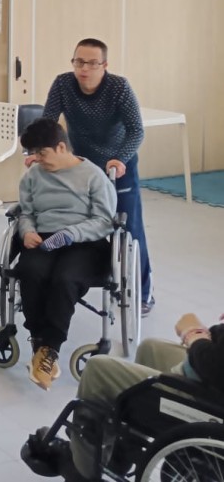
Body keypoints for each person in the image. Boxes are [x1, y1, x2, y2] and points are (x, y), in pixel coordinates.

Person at [24, 311, 224, 479]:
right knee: (150, 348)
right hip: (209, 375)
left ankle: (81, 470)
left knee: (98, 370)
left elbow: (215, 367)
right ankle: (121, 454)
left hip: (209, 398)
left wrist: (194, 335)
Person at [42, 37, 152, 313]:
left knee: (130, 228)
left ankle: (143, 292)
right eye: (79, 61)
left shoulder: (119, 87)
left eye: (92, 63)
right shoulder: (63, 84)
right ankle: (81, 276)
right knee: (84, 223)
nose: (84, 68)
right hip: (84, 167)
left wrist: (120, 158)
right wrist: (38, 150)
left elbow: (136, 130)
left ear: (104, 65)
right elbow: (48, 123)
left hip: (120, 165)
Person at [15, 118, 117, 391]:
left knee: (65, 278)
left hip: (85, 241)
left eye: (42, 153)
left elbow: (105, 221)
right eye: (33, 154)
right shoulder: (33, 176)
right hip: (44, 237)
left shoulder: (93, 175)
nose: (37, 159)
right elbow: (25, 212)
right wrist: (27, 231)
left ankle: (50, 348)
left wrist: (72, 233)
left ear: (61, 147)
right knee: (30, 271)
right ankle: (41, 343)